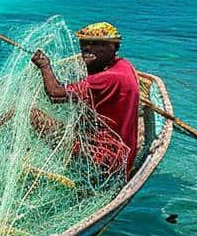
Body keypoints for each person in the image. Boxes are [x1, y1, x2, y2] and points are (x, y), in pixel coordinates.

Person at [30, 22, 140, 175]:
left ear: (114, 47)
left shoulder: (107, 78)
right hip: (117, 153)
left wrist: (45, 66)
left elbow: (54, 94)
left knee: (30, 115)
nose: (87, 48)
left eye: (96, 44)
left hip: (102, 158)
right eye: (84, 43)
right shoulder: (124, 66)